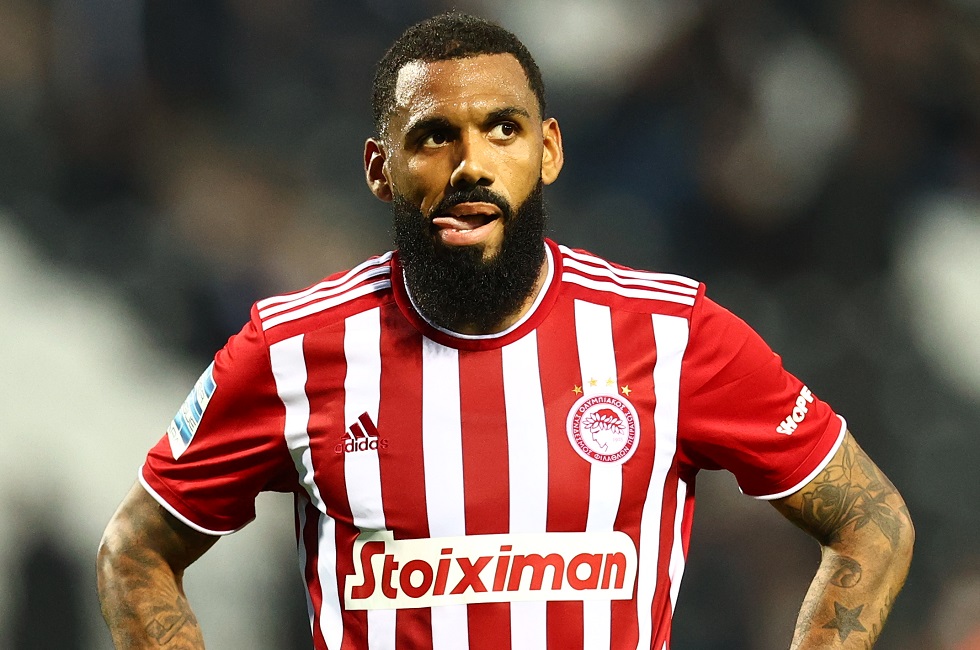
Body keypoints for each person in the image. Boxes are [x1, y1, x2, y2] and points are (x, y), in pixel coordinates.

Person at [97, 12, 914, 650]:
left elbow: (872, 523)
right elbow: (135, 548)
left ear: (548, 150)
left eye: (502, 129)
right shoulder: (291, 351)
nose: (471, 165)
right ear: (380, 167)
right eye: (432, 135)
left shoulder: (673, 335)